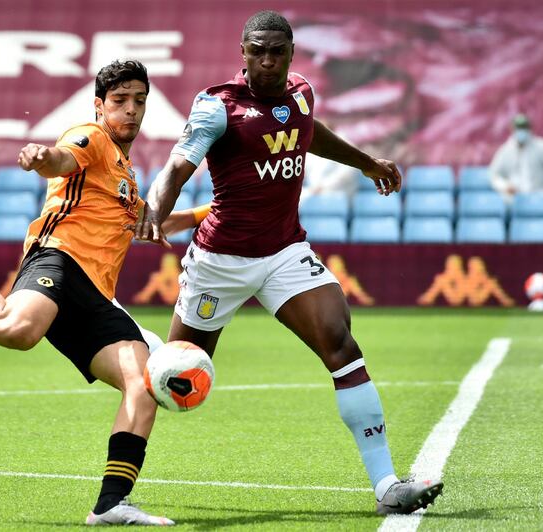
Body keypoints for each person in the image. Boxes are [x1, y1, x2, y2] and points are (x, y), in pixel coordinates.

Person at [136, 10, 443, 515]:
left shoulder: (300, 93)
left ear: (292, 54)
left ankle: (387, 485)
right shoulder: (218, 108)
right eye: (258, 50)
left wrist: (366, 163)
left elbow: (308, 132)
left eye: (277, 51)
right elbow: (176, 165)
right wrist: (155, 212)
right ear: (243, 53)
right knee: (175, 372)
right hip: (219, 263)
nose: (268, 60)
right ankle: (135, 368)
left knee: (341, 344)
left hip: (284, 254)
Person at [0, 60, 175, 526]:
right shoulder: (92, 136)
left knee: (142, 386)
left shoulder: (126, 177)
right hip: (58, 261)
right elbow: (64, 156)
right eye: (120, 101)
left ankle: (110, 504)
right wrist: (43, 159)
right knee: (16, 330)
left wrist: (214, 214)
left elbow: (153, 220)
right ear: (100, 105)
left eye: (139, 101)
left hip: (98, 297)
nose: (131, 110)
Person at [489, 113, 543, 203]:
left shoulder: (541, 146)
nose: (521, 131)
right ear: (512, 129)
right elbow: (494, 174)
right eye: (518, 128)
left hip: (540, 194)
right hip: (516, 199)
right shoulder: (506, 150)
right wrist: (505, 186)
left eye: (524, 128)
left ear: (529, 129)